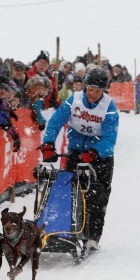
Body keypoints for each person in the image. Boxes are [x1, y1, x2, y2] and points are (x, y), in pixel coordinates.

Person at [39, 67, 119, 250]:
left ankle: (93, 237)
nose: (93, 94)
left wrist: (94, 153)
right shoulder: (73, 100)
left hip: (100, 157)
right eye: (90, 89)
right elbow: (55, 122)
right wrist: (48, 144)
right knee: (69, 191)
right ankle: (65, 230)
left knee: (97, 196)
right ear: (84, 87)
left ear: (103, 91)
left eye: (97, 91)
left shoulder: (109, 107)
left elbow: (109, 138)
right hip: (76, 151)